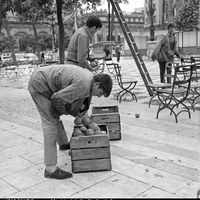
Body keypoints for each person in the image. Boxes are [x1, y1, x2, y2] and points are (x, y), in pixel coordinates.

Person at [28, 64, 113, 179]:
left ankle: (63, 143)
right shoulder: (84, 84)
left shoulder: (89, 82)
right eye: (101, 93)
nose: (99, 96)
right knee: (50, 121)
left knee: (53, 115)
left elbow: (84, 102)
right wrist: (66, 112)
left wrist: (82, 115)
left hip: (43, 80)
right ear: (97, 84)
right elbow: (57, 99)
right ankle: (50, 168)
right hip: (39, 84)